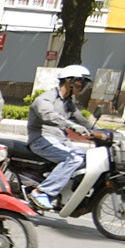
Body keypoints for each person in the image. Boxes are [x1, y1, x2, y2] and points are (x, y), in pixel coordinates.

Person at [27, 64, 104, 210]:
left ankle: (65, 191)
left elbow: (82, 120)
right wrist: (73, 126)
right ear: (69, 81)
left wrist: (104, 132)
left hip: (60, 141)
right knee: (73, 158)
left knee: (90, 158)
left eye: (84, 83)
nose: (82, 86)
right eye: (80, 82)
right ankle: (41, 191)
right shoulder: (46, 99)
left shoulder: (68, 102)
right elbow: (48, 115)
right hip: (41, 140)